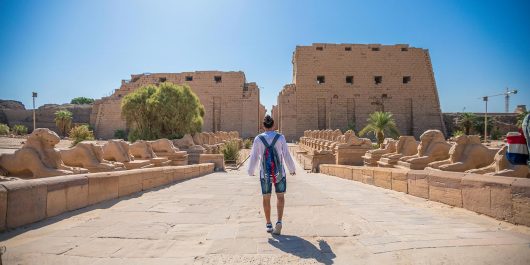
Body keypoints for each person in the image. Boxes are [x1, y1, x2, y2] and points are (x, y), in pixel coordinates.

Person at [248, 115, 296, 235]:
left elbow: (254, 156)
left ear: (263, 126)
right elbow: (286, 155)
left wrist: (251, 171)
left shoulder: (258, 139)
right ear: (274, 125)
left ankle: (268, 224)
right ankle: (279, 222)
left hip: (264, 173)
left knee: (266, 197)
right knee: (280, 196)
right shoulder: (280, 137)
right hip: (280, 173)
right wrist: (291, 169)